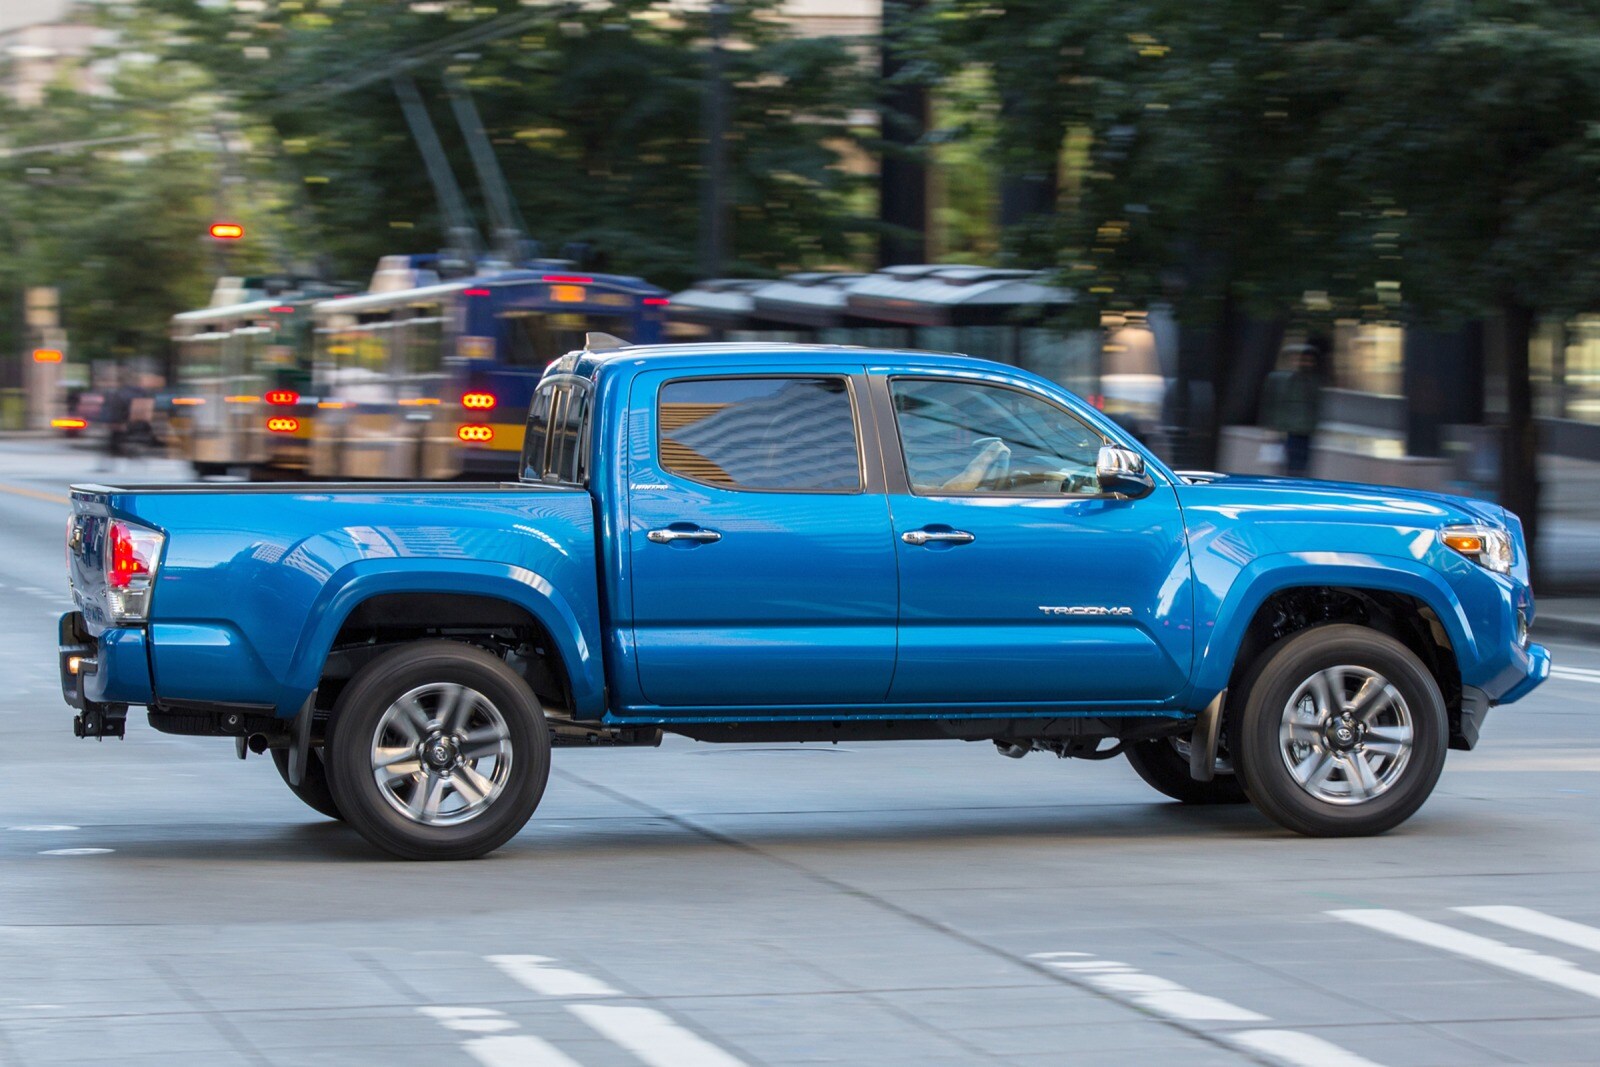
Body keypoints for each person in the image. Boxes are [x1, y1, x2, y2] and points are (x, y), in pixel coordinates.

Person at [1261, 344, 1322, 478]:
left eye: (1309, 360)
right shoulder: (1278, 378)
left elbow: (1315, 405)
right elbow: (1271, 403)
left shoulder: (1313, 380)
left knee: (1299, 465)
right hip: (1287, 429)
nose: (1306, 363)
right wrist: (1271, 428)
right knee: (1288, 464)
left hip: (1304, 430)